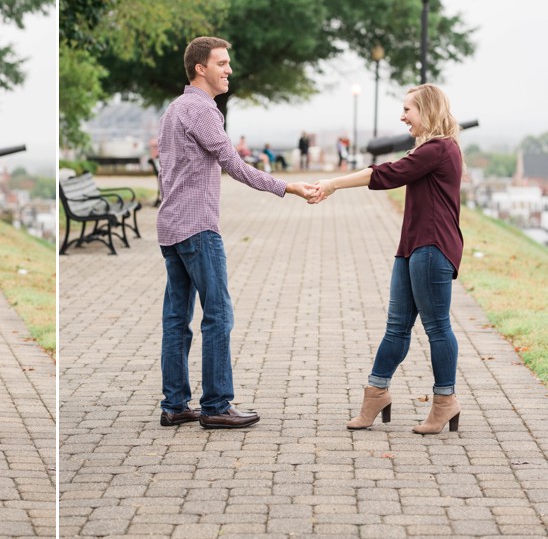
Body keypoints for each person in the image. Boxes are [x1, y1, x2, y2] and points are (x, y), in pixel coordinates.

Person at [156, 36, 316, 430]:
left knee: (177, 319)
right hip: (197, 227)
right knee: (218, 315)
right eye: (222, 63)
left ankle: (175, 405)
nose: (229, 70)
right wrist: (287, 187)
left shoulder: (175, 109)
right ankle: (215, 405)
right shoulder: (204, 111)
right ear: (200, 68)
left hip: (170, 225)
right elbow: (235, 165)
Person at [310, 84, 463, 434]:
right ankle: (376, 393)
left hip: (433, 247)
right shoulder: (431, 149)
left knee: (437, 327)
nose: (402, 115)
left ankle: (445, 401)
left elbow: (386, 173)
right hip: (411, 247)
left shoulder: (440, 149)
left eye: (408, 109)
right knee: (396, 327)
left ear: (427, 110)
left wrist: (333, 184)